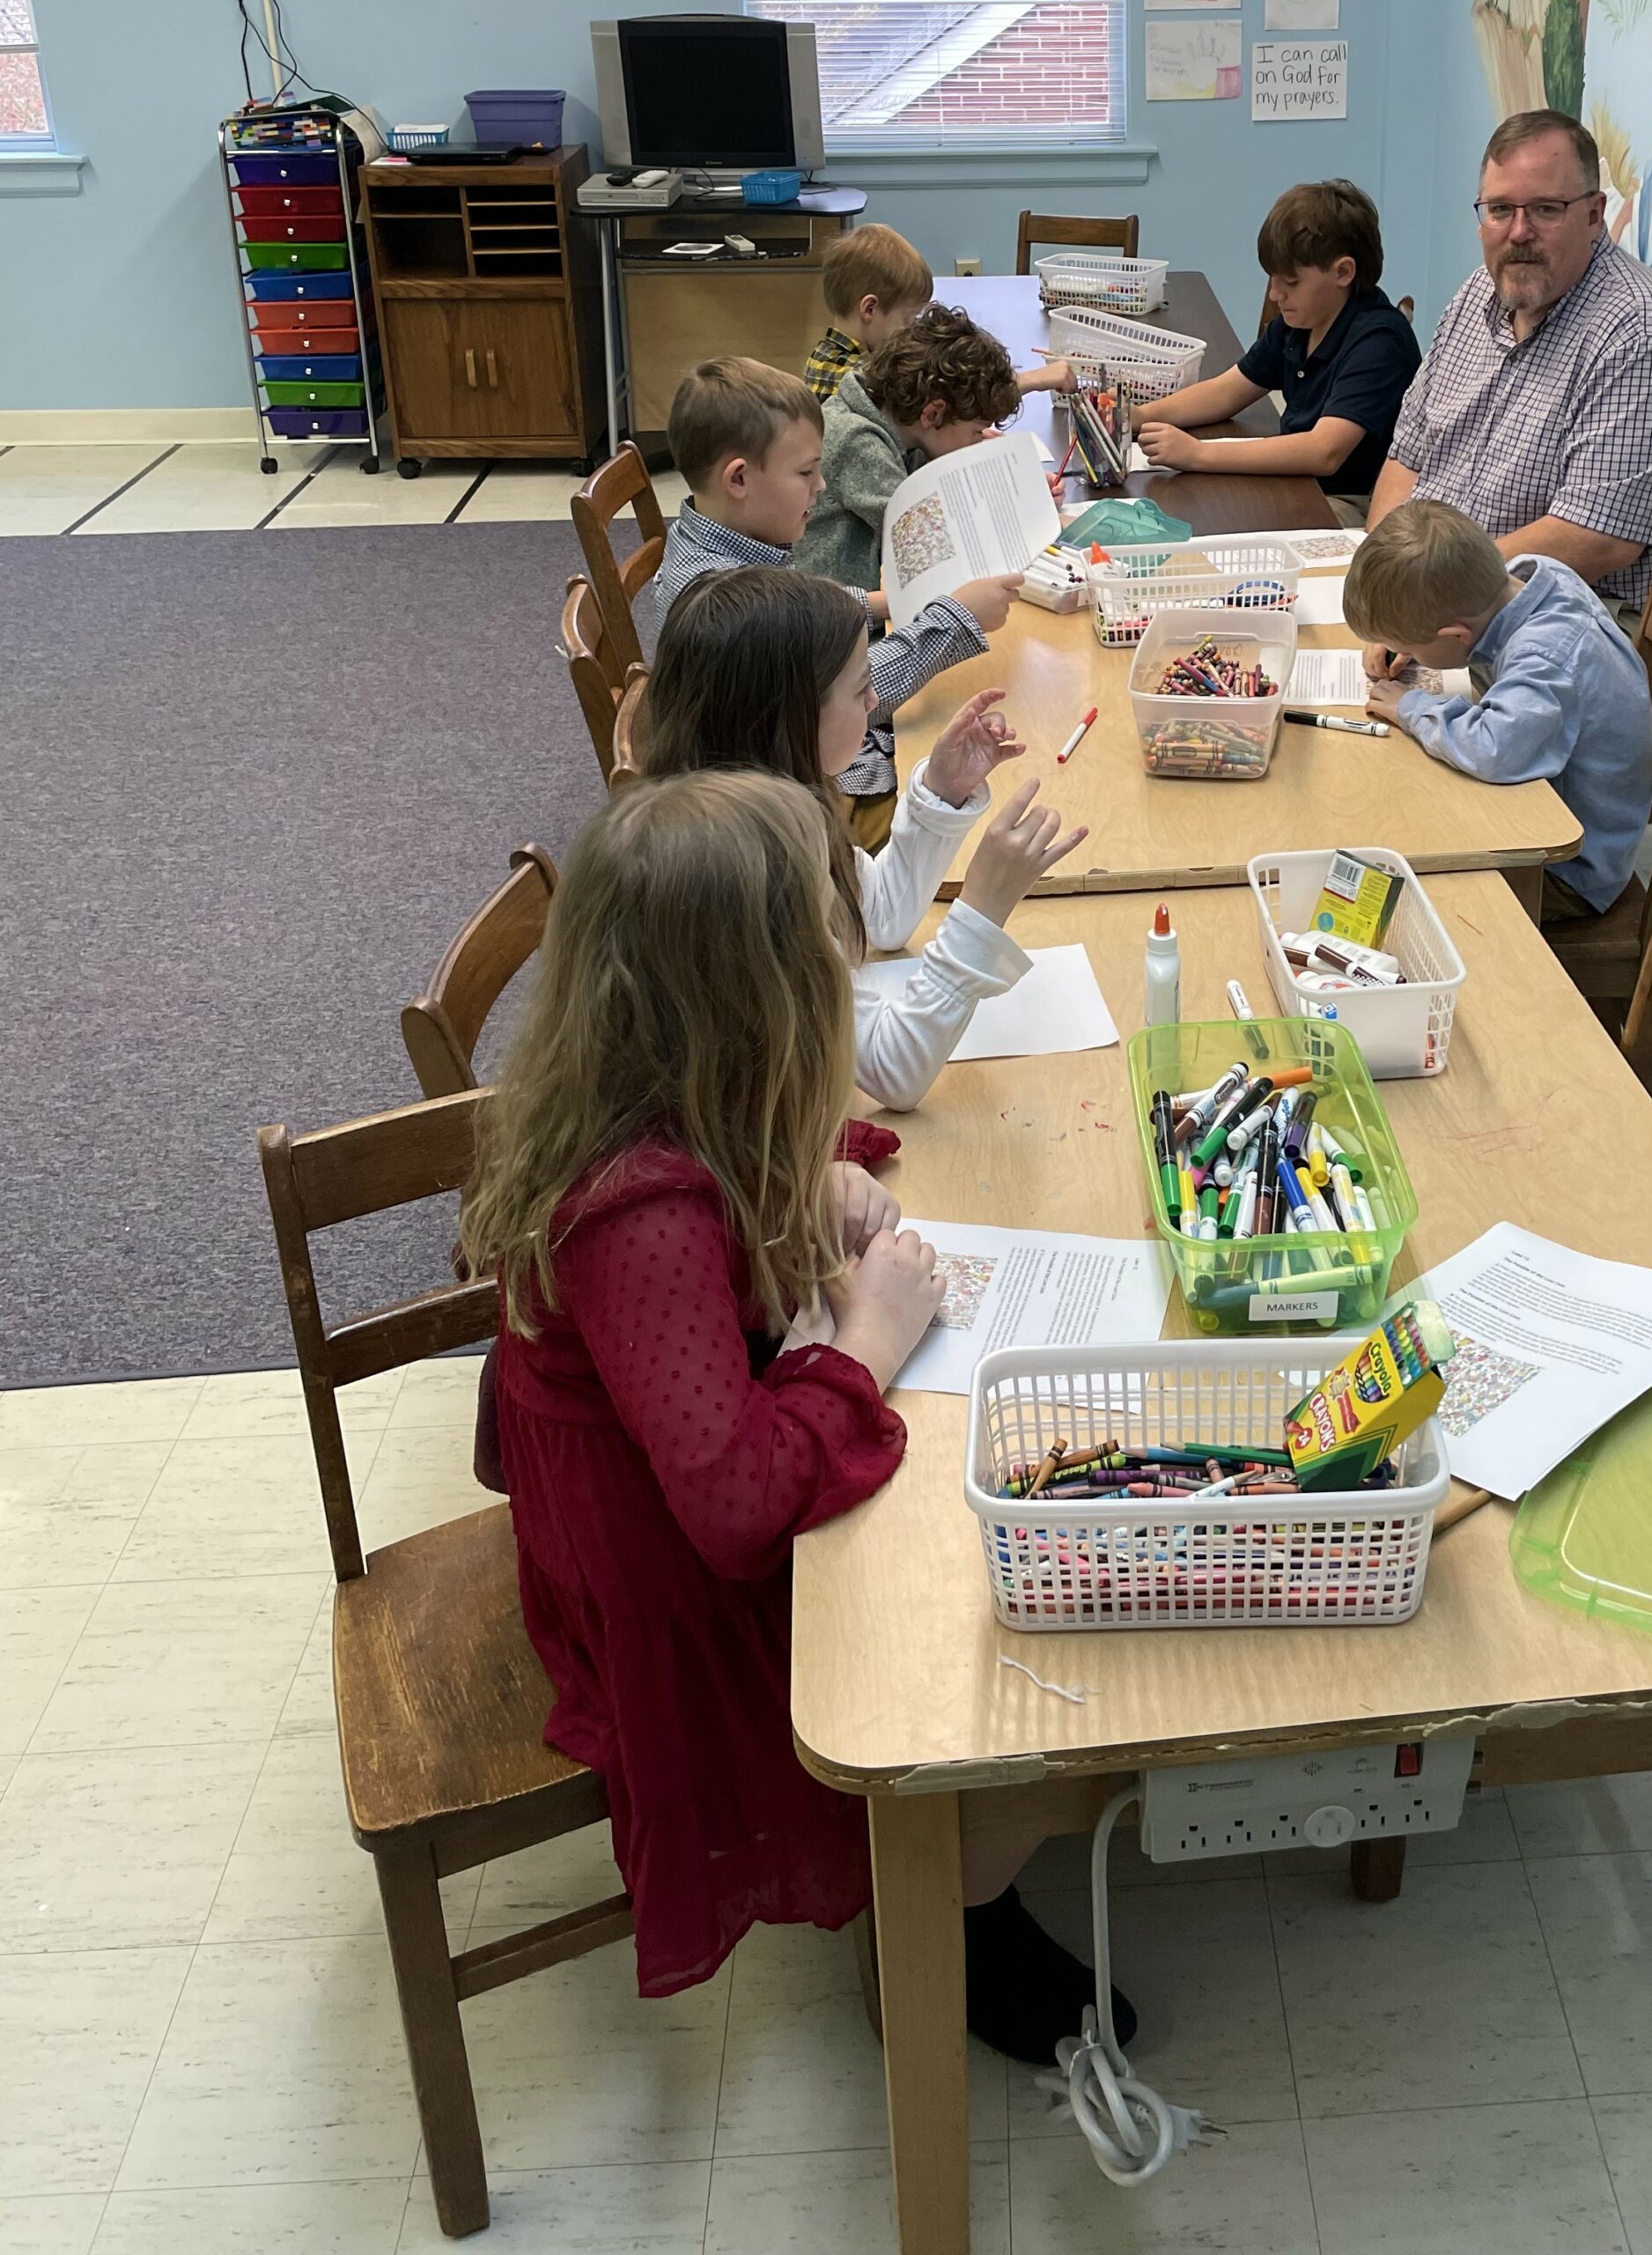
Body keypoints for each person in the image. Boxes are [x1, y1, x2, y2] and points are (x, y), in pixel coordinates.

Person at [460, 768, 1133, 2053]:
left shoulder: (652, 1097)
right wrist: (865, 1346)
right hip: (668, 1585)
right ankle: (948, 1912)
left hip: (658, 1487)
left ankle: (962, 1888)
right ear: (754, 1002)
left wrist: (810, 1178)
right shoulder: (642, 1215)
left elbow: (726, 1176)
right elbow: (729, 1511)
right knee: (993, 1655)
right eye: (825, 952)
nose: (847, 969)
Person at [638, 566, 1087, 1110]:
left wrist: (941, 793)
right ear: (790, 718)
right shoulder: (749, 872)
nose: (875, 703)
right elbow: (895, 1073)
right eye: (860, 688)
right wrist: (981, 909)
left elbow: (882, 916)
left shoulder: (772, 803)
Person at [1366, 109, 1652, 674]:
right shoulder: (1475, 297)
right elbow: (1406, 458)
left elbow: (1596, 540)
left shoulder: (1644, 330)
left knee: (1391, 748)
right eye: (1500, 209)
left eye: (1546, 210)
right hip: (1448, 601)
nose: (1518, 232)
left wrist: (1424, 591)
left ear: (1593, 214)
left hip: (1584, 619)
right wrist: (1388, 583)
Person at [643, 356, 1021, 849]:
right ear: (738, 479)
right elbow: (852, 694)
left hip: (785, 778)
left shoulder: (721, 540)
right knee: (980, 828)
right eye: (806, 471)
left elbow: (810, 614)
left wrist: (892, 602)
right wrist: (955, 620)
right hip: (806, 808)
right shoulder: (729, 600)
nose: (821, 487)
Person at [1345, 499, 1652, 923]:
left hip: (1567, 869)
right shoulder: (1530, 575)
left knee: (1393, 881)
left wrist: (1412, 707)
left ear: (1455, 634)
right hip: (1548, 807)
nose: (1407, 654)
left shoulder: (1544, 659)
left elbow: (1493, 748)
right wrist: (1416, 640)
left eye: (1412, 647)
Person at [1129, 179, 1421, 504]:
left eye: (1291, 282)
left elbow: (1324, 452)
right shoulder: (1300, 322)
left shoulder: (1379, 343)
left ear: (1343, 273)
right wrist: (1140, 416)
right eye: (1272, 279)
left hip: (1349, 504)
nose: (1274, 294)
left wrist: (1197, 454)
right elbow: (1227, 391)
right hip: (1301, 484)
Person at [797, 305, 1025, 592]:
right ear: (933, 415)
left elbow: (938, 490)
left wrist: (1007, 478)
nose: (978, 440)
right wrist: (1015, 503)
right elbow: (928, 536)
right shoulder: (859, 441)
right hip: (844, 620)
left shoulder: (904, 426)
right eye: (976, 431)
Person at [803, 224, 934, 404]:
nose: (911, 331)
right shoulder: (853, 378)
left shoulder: (829, 354)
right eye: (908, 319)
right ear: (870, 309)